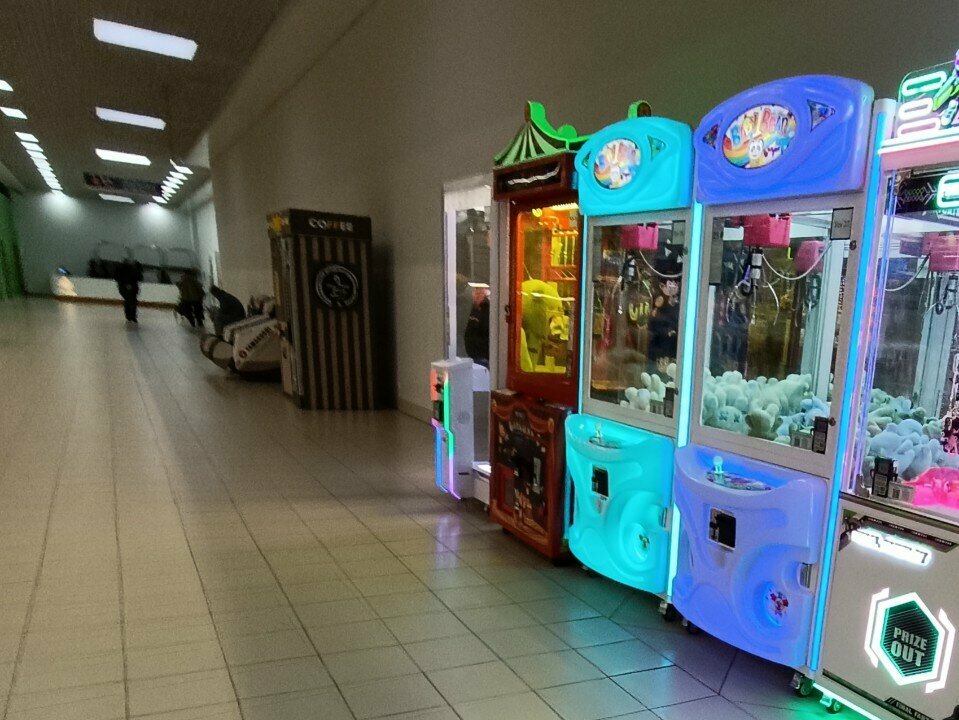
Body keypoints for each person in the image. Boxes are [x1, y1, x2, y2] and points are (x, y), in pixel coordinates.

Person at [114, 257, 143, 323]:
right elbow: (139, 277)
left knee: (131, 301)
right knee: (131, 301)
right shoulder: (125, 269)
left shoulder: (133, 268)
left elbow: (139, 277)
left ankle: (131, 316)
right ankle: (131, 316)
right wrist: (126, 284)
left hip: (130, 287)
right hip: (127, 287)